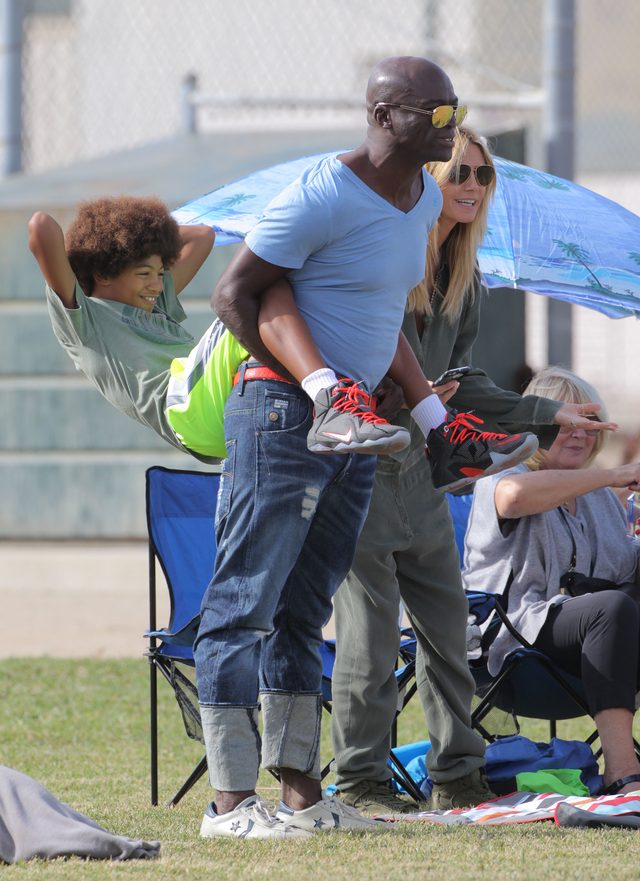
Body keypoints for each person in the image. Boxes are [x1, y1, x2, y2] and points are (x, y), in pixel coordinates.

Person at [193, 55, 527, 840]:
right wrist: (318, 390)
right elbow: (238, 292)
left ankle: (305, 795)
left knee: (305, 611)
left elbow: (383, 328)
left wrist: (434, 421)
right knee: (245, 603)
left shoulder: (418, 204)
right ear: (383, 116)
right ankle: (230, 805)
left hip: (360, 430)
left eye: (455, 112)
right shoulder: (323, 193)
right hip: (281, 414)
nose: (448, 128)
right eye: (434, 115)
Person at [329, 128, 615, 816]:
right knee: (367, 632)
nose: (472, 185)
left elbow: (466, 380)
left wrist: (549, 418)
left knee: (447, 624)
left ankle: (457, 774)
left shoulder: (466, 279)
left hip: (425, 470)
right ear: (427, 176)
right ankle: (363, 781)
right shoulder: (387, 262)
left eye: (483, 176)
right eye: (460, 171)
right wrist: (413, 394)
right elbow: (357, 364)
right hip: (364, 462)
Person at [462, 366, 640, 796]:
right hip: (512, 645)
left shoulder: (598, 498)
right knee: (610, 609)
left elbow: (625, 571)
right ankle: (621, 771)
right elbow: (514, 498)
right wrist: (614, 475)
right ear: (532, 427)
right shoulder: (502, 474)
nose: (581, 434)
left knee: (614, 606)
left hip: (594, 646)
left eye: (590, 424)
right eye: (567, 424)